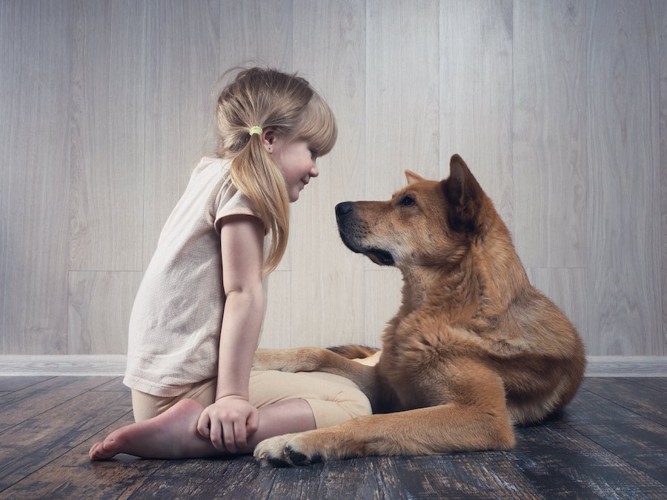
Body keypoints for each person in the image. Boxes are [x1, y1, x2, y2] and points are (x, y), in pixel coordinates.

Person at [89, 68, 371, 460]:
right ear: (270, 140)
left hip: (156, 389)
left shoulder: (212, 173)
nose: (315, 168)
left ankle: (194, 418)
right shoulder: (245, 185)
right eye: (312, 150)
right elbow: (242, 293)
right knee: (352, 404)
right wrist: (234, 396)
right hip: (183, 394)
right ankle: (190, 436)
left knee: (326, 382)